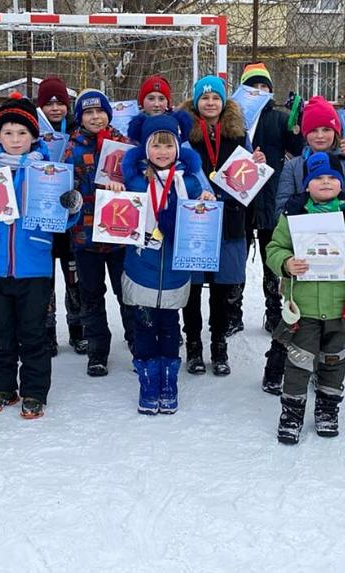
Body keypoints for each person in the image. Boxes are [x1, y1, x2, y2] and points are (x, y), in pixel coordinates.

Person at [0, 94, 83, 419]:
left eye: (22, 133)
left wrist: (71, 205)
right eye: (8, 133)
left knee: (34, 333)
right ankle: (1, 387)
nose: (15, 139)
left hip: (33, 265)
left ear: (33, 136)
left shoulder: (47, 171)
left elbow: (63, 220)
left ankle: (34, 391)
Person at [265, 151, 345, 443]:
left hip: (341, 305)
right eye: (318, 178)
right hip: (302, 307)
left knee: (334, 359)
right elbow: (274, 248)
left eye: (332, 178)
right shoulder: (294, 214)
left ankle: (327, 409)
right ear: (307, 185)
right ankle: (291, 413)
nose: (326, 182)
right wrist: (286, 262)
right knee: (299, 361)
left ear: (341, 184)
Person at [261, 95, 345, 396]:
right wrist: (304, 210)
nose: (320, 136)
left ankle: (324, 368)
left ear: (336, 132)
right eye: (314, 130)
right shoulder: (294, 165)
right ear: (304, 133)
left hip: (335, 253)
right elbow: (282, 202)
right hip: (300, 251)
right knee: (293, 316)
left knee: (330, 318)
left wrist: (339, 210)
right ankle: (277, 367)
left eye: (326, 130)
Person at [122, 111, 211, 414]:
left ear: (179, 148)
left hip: (175, 270)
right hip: (142, 267)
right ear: (145, 149)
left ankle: (169, 381)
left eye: (168, 145)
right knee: (144, 327)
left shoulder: (189, 184)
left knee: (171, 328)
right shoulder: (133, 181)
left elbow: (202, 219)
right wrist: (115, 193)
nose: (163, 152)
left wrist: (207, 205)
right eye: (156, 146)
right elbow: (120, 216)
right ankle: (148, 382)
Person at [179, 75, 265, 376]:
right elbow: (176, 171)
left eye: (215, 97)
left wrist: (256, 161)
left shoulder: (239, 133)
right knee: (191, 287)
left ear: (223, 101)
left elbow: (249, 175)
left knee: (222, 285)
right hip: (196, 219)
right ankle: (192, 344)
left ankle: (218, 345)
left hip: (230, 219)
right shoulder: (184, 133)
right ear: (195, 102)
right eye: (204, 98)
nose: (210, 103)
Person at [63, 89, 136, 376]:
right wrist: (72, 198)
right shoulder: (72, 147)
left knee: (126, 293)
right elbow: (63, 186)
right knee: (91, 295)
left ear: (109, 113)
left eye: (100, 111)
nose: (95, 117)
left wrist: (125, 186)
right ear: (80, 117)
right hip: (86, 236)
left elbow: (137, 179)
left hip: (119, 236)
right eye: (88, 113)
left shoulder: (122, 144)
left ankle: (135, 342)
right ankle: (97, 350)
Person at [238, 63, 303, 337]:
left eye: (264, 87)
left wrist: (297, 127)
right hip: (240, 196)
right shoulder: (235, 119)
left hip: (270, 196)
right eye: (253, 87)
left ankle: (273, 309)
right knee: (236, 256)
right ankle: (232, 309)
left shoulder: (279, 118)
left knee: (270, 257)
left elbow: (298, 149)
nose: (259, 91)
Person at [37, 76, 85, 356]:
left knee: (73, 277)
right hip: (42, 215)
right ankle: (47, 333)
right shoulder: (31, 132)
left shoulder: (78, 130)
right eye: (49, 103)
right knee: (45, 280)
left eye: (60, 103)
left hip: (70, 214)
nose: (55, 108)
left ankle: (78, 331)